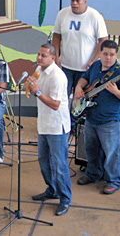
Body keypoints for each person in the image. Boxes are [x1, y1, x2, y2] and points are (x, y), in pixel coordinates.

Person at [74, 40, 120, 195]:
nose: (108, 58)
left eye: (112, 55)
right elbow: (84, 78)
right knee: (91, 149)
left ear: (116, 55)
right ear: (100, 53)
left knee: (112, 152)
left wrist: (116, 92)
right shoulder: (95, 66)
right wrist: (79, 87)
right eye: (105, 54)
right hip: (92, 117)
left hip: (111, 120)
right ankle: (93, 174)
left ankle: (114, 181)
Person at [24, 43, 72, 216]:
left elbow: (55, 104)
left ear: (53, 58)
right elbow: (28, 91)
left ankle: (65, 199)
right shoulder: (39, 69)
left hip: (56, 127)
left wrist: (36, 91)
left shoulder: (58, 77)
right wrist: (29, 85)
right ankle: (52, 190)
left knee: (60, 165)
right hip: (43, 124)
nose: (39, 58)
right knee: (43, 161)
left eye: (43, 55)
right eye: (38, 54)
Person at [52, 0, 108, 97]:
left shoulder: (95, 16)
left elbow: (103, 40)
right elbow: (56, 36)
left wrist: (93, 61)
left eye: (78, 1)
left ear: (85, 1)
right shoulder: (62, 14)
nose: (74, 3)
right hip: (65, 66)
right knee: (62, 97)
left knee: (79, 101)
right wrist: (56, 56)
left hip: (85, 69)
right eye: (72, 0)